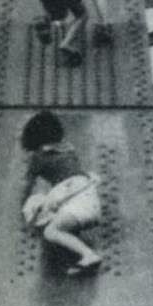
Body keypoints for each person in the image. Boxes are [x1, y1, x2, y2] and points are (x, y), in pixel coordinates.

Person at [20, 110, 102, 276]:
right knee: (57, 220)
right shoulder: (69, 150)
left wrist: (22, 206)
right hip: (89, 201)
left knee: (50, 231)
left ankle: (89, 255)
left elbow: (27, 186)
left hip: (76, 202)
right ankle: (74, 244)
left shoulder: (38, 157)